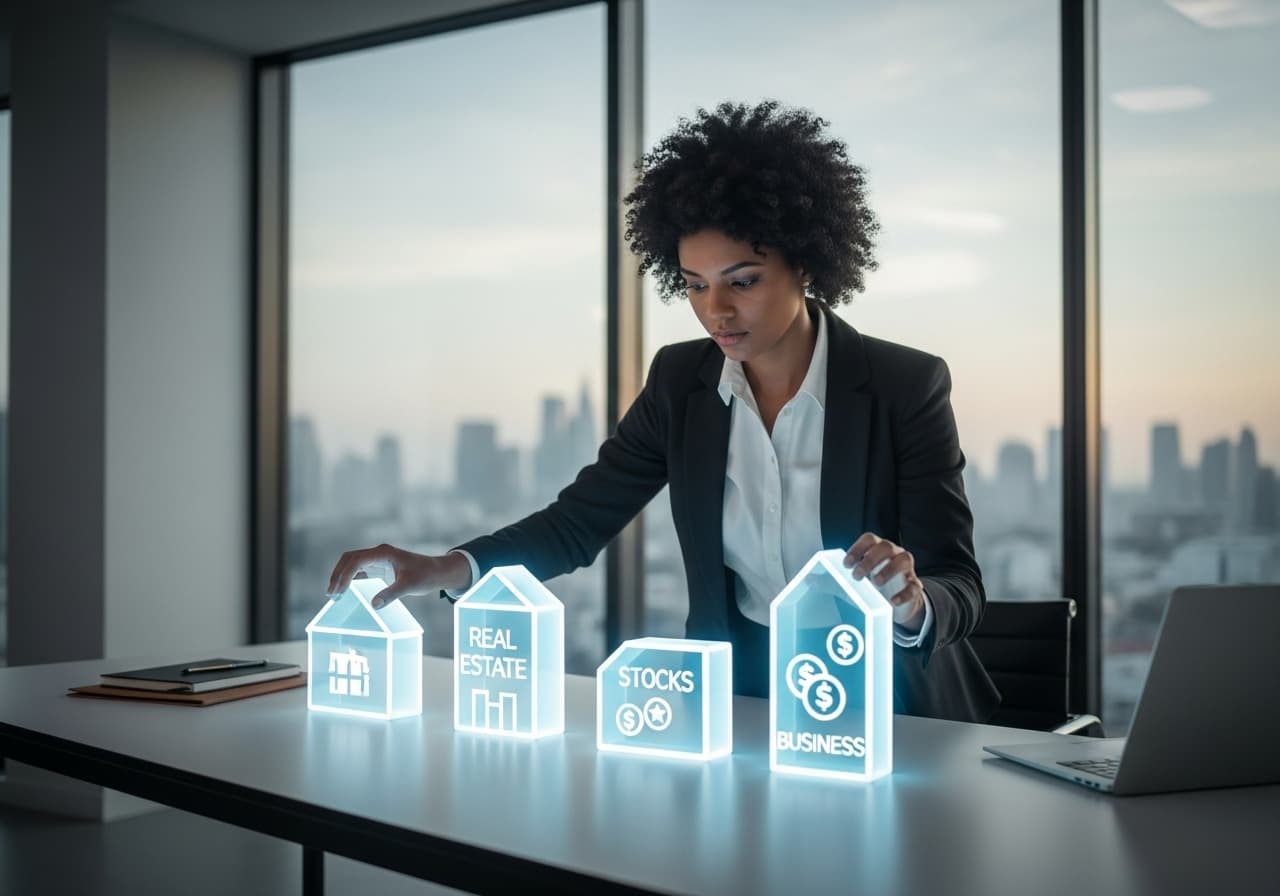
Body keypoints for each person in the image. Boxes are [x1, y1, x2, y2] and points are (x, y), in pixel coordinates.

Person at [327, 100, 999, 723]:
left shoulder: (903, 385)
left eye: (743, 281)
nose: (716, 310)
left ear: (805, 264)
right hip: (740, 700)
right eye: (695, 285)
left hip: (893, 702)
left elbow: (959, 584)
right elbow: (578, 522)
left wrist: (910, 602)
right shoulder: (682, 384)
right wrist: (445, 568)